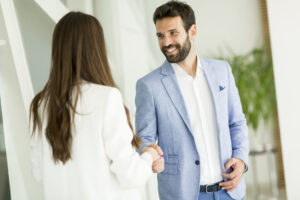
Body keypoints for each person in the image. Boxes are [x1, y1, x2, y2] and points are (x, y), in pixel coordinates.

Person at [29, 11, 164, 200]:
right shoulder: (107, 97)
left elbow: (39, 172)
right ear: (96, 49)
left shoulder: (42, 104)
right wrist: (149, 156)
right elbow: (130, 175)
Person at [135, 1, 249, 200]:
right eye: (160, 35)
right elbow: (143, 139)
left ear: (192, 31)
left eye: (173, 33)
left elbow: (236, 122)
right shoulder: (149, 85)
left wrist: (240, 159)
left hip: (230, 192)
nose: (166, 42)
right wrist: (148, 154)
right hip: (184, 195)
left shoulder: (222, 71)